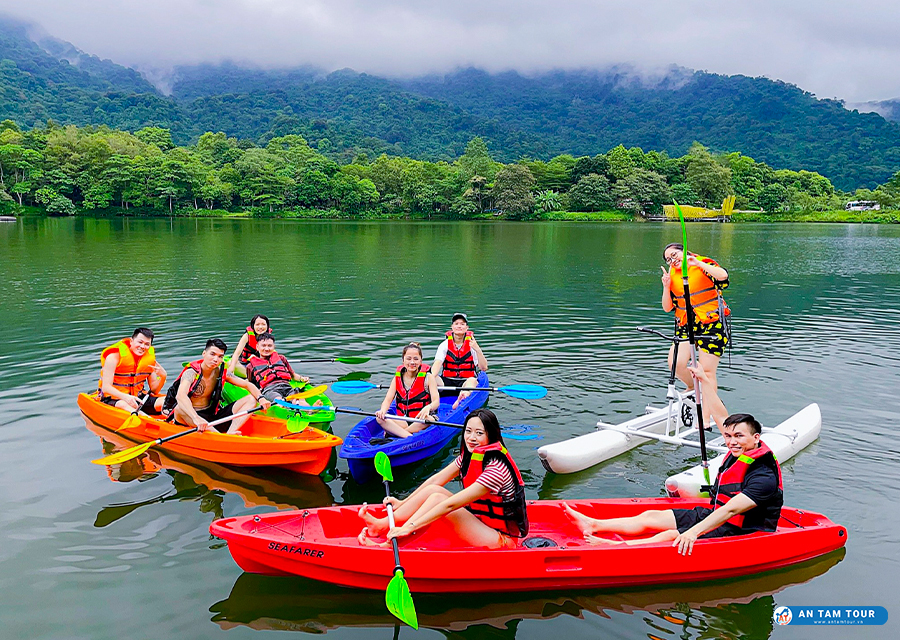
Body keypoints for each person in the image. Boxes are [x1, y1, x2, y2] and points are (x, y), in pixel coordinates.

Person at [562, 363, 782, 556]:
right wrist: (704, 381)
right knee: (652, 516)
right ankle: (594, 523)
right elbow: (719, 413)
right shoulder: (741, 449)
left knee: (670, 535)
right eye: (728, 436)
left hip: (741, 531)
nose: (732, 441)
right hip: (715, 514)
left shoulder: (764, 476)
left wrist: (693, 532)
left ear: (756, 438)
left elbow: (730, 511)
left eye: (739, 436)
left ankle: (615, 547)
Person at [357, 408, 529, 549]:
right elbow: (435, 480)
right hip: (481, 523)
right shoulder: (470, 457)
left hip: (501, 540)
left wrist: (409, 527)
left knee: (438, 499)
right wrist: (404, 503)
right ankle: (381, 525)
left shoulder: (496, 469)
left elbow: (450, 505)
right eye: (468, 431)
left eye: (479, 433)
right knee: (434, 490)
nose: (471, 438)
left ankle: (388, 546)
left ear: (491, 436)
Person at [661, 242, 730, 429]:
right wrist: (666, 286)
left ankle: (705, 418)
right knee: (675, 363)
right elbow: (667, 307)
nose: (672, 261)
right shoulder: (672, 276)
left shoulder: (702, 264)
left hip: (711, 324)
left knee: (706, 372)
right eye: (668, 259)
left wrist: (697, 264)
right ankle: (695, 387)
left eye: (675, 255)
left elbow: (723, 276)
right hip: (686, 325)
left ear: (684, 252)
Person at [162, 338, 270, 435]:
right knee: (179, 408)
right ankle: (220, 436)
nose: (215, 359)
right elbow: (181, 396)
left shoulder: (220, 371)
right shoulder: (191, 373)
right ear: (204, 353)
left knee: (251, 399)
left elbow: (247, 384)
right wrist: (196, 418)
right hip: (190, 415)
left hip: (211, 414)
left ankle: (230, 432)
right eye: (212, 354)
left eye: (220, 356)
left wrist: (261, 398)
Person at [375, 343, 441, 438]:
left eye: (416, 359)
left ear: (421, 360)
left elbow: (436, 402)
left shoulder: (428, 377)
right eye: (408, 359)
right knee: (379, 418)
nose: (412, 362)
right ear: (403, 360)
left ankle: (399, 433)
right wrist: (382, 411)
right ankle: (408, 436)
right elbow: (388, 400)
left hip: (421, 419)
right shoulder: (397, 378)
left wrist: (428, 407)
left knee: (429, 419)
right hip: (403, 420)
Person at [98, 327, 167, 414]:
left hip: (138, 397)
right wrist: (126, 397)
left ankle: (173, 417)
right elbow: (106, 388)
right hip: (115, 398)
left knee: (166, 401)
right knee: (123, 404)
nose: (142, 346)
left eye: (147, 344)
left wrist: (163, 376)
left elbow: (154, 390)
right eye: (140, 342)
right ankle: (146, 419)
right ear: (131, 341)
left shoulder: (149, 359)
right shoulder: (113, 357)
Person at [245, 332, 323, 406]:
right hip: (269, 390)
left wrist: (302, 378)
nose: (266, 348)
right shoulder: (250, 366)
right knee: (279, 400)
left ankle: (310, 410)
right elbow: (251, 384)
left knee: (299, 398)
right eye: (263, 346)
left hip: (286, 386)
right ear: (257, 347)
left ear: (274, 347)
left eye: (269, 346)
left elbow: (293, 375)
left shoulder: (281, 358)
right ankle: (284, 408)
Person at [431, 313, 489, 409]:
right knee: (430, 376)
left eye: (462, 324)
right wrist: (430, 378)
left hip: (465, 382)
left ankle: (462, 398)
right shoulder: (444, 345)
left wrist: (478, 349)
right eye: (456, 323)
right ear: (452, 327)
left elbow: (484, 368)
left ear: (467, 328)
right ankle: (430, 402)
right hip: (446, 383)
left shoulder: (472, 345)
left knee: (472, 380)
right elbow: (437, 365)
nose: (459, 326)